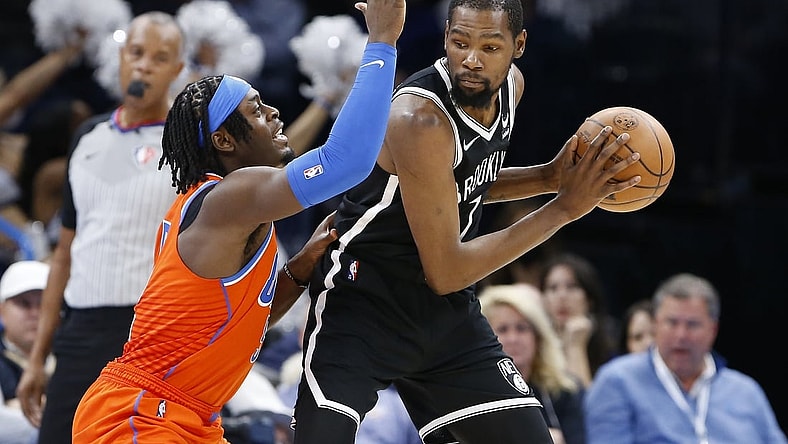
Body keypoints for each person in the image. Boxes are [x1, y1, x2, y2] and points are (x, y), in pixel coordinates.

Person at [291, 0, 642, 442]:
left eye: (490, 47)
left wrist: (549, 177)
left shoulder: (511, 88)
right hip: (363, 306)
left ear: (519, 45)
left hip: (444, 317)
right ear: (445, 40)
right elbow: (448, 271)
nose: (472, 60)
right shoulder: (418, 119)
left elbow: (465, 185)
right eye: (460, 43)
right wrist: (564, 208)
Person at [70, 0, 404, 441]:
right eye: (257, 109)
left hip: (191, 416)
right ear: (224, 139)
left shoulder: (226, 211)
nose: (274, 114)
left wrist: (297, 272)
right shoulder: (230, 197)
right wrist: (381, 42)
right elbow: (345, 162)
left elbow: (241, 331)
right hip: (140, 414)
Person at [15, 11, 187, 443]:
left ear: (177, 71)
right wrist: (38, 359)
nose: (145, 65)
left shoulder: (188, 146)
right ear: (121, 57)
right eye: (136, 53)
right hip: (80, 331)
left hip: (150, 335)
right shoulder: (87, 137)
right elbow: (64, 254)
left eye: (160, 57)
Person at [584, 273, 787, 444]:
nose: (681, 335)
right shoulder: (618, 381)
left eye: (692, 325)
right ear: (655, 324)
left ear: (713, 330)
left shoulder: (746, 392)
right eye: (671, 323)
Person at [479, 284, 586, 444]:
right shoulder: (471, 394)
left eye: (522, 328)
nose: (513, 338)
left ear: (538, 338)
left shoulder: (565, 390)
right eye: (503, 329)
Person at [539, 252, 619, 386]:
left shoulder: (611, 341)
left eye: (572, 287)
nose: (562, 296)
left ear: (590, 299)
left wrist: (576, 346)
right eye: (553, 288)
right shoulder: (535, 344)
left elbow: (583, 405)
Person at [0, 260, 53, 444]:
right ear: (2, 310)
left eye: (43, 303)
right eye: (24, 304)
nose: (34, 313)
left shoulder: (74, 357)